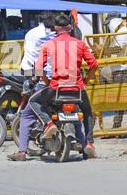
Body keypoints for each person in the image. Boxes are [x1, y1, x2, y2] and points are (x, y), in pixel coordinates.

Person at [30, 14, 99, 159]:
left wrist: (45, 80)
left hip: (56, 90)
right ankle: (90, 143)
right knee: (87, 112)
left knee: (33, 101)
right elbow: (94, 64)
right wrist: (86, 79)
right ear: (70, 27)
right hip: (77, 90)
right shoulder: (80, 44)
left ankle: (49, 124)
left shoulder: (49, 44)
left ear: (55, 28)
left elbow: (38, 67)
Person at [7, 12, 57, 162]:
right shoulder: (63, 39)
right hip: (70, 81)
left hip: (41, 77)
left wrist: (35, 78)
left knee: (28, 113)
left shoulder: (33, 34)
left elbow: (33, 62)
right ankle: (88, 143)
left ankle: (22, 151)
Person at [107, 17, 127, 129]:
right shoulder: (120, 33)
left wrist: (102, 50)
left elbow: (116, 49)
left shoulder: (122, 33)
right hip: (119, 70)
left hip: (122, 70)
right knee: (119, 100)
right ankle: (117, 125)